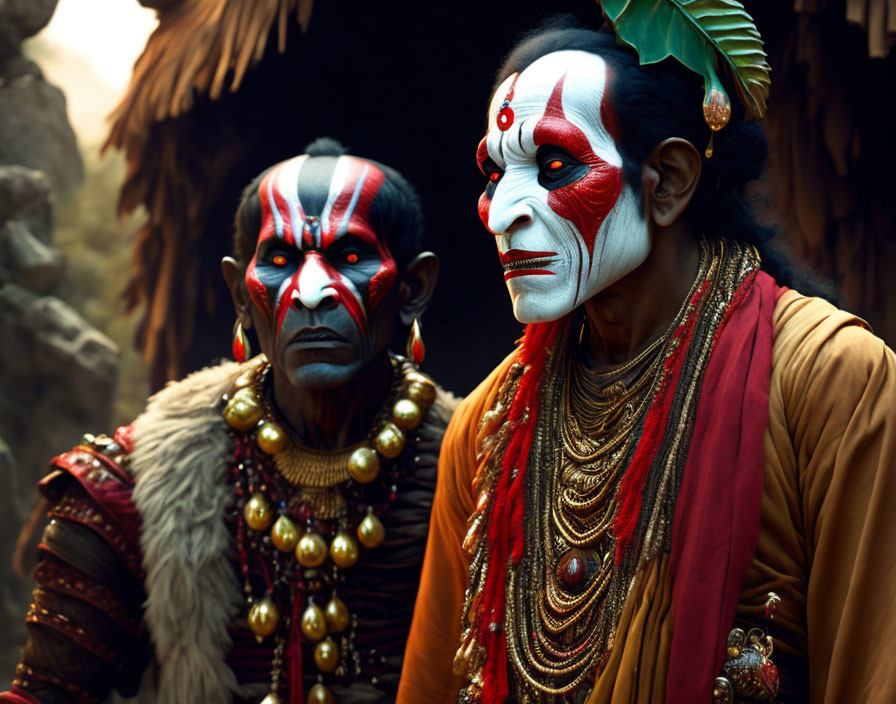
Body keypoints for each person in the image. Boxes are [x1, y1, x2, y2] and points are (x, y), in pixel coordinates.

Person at [397, 12, 896, 704]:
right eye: (495, 173)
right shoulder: (484, 430)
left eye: (553, 166)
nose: (502, 211)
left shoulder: (832, 381)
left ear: (667, 181)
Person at [2, 138, 453, 704]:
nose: (312, 293)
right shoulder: (126, 492)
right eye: (281, 261)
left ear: (412, 289)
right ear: (242, 293)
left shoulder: (483, 472)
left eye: (351, 257)